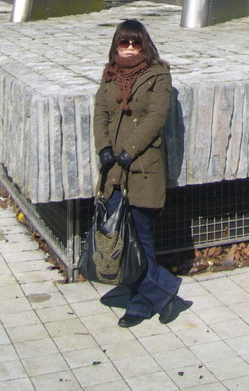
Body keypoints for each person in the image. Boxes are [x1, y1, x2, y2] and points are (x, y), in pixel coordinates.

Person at [93, 18, 186, 327]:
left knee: (140, 237)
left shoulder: (159, 75)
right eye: (124, 43)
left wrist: (127, 150)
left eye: (135, 43)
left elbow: (157, 116)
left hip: (143, 167)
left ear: (144, 44)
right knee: (121, 235)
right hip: (114, 172)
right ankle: (157, 293)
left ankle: (147, 298)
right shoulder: (109, 75)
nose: (130, 49)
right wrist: (104, 148)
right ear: (116, 45)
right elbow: (101, 113)